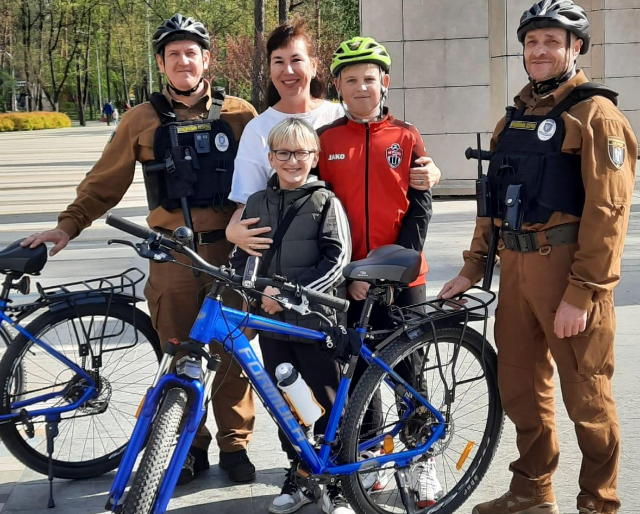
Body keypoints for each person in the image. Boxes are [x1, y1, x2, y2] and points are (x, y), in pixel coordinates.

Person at [21, 13, 260, 486]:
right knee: (177, 355)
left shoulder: (240, 114)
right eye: (174, 54)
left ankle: (235, 444)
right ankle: (189, 446)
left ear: (206, 59)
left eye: (192, 52)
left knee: (234, 355)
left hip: (231, 257)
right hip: (173, 257)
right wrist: (67, 226)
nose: (183, 61)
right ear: (161, 63)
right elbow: (103, 183)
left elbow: (276, 174)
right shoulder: (141, 119)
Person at [438, 2, 637, 513]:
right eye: (532, 42)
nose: (540, 50)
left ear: (575, 48)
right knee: (521, 390)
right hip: (516, 272)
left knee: (586, 396)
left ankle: (599, 501)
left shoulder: (597, 115)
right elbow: (492, 202)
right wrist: (472, 267)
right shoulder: (515, 119)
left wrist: (582, 293)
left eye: (553, 41)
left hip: (567, 269)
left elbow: (608, 213)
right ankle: (532, 491)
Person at [316, 36, 440, 507]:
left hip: (403, 277)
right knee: (359, 369)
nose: (361, 86)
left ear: (384, 83)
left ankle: (419, 459)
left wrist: (393, 269)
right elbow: (321, 213)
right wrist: (349, 273)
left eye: (369, 78)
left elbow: (420, 207)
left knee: (409, 369)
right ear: (339, 88)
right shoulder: (327, 141)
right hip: (350, 279)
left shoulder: (406, 136)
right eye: (351, 79)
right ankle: (372, 457)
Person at [226, 17, 440, 256]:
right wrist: (232, 230)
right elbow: (248, 202)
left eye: (296, 59)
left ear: (314, 65)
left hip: (373, 258)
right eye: (278, 61)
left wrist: (431, 172)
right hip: (312, 259)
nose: (288, 70)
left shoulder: (344, 114)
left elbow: (391, 154)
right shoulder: (257, 129)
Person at [231, 117, 351, 514]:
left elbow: (337, 261)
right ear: (271, 158)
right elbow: (243, 259)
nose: (292, 160)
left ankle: (336, 483)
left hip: (316, 325)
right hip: (273, 326)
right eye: (283, 153)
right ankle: (299, 474)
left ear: (314, 157)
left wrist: (286, 294)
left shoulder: (325, 201)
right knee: (285, 404)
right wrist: (256, 295)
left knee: (328, 402)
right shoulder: (257, 203)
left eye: (300, 152)